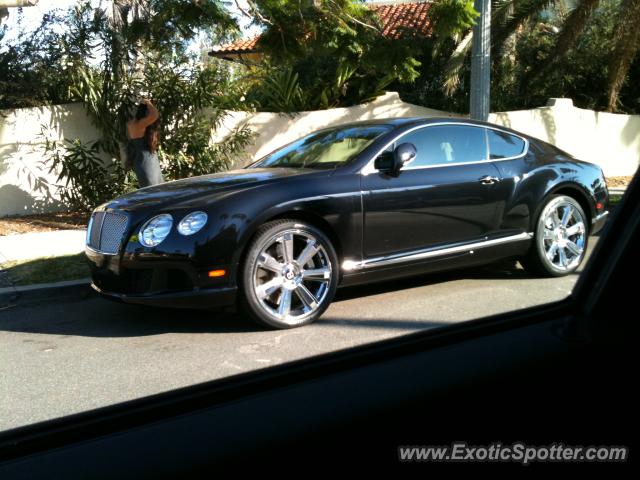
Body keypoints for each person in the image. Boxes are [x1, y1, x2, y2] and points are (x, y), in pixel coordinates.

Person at [126, 99, 164, 187]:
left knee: (156, 186)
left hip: (146, 159)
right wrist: (148, 102)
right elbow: (154, 114)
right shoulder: (138, 125)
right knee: (152, 187)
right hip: (145, 160)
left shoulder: (133, 123)